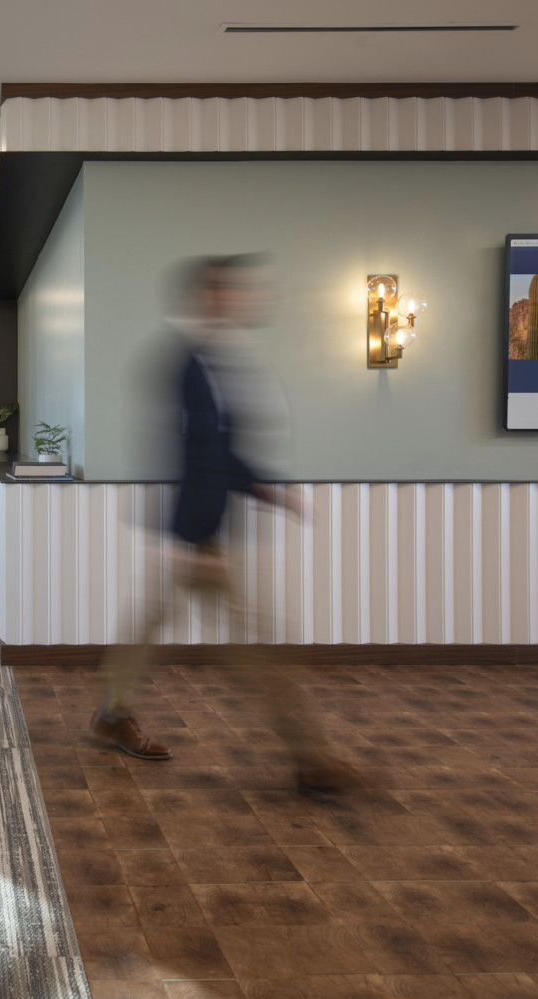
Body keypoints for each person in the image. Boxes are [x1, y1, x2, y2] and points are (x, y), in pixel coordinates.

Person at [89, 254, 361, 795]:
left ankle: (113, 712)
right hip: (196, 532)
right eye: (230, 291)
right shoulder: (185, 364)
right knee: (257, 644)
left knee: (149, 626)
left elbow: (220, 451)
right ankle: (311, 759)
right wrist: (188, 538)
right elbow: (184, 452)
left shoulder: (215, 361)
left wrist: (263, 487)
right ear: (207, 297)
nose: (242, 298)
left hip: (197, 531)